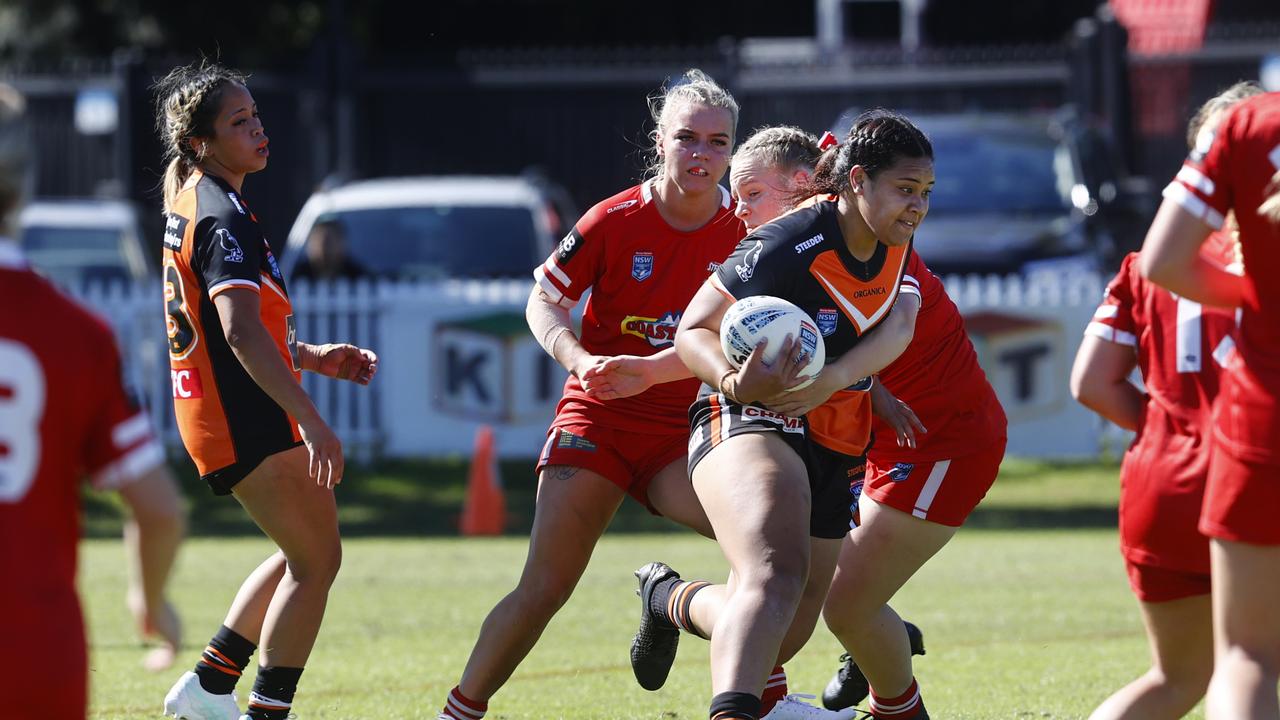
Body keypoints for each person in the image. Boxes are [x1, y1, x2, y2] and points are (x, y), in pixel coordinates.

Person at [433, 67, 859, 720]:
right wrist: (578, 357)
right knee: (544, 588)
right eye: (688, 138)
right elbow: (544, 301)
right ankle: (459, 711)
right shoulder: (614, 219)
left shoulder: (748, 229)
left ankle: (747, 680)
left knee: (772, 561)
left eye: (719, 142)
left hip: (686, 436)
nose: (703, 155)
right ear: (658, 141)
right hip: (599, 423)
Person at [638, 109, 931, 720]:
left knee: (786, 628)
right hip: (743, 412)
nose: (917, 206)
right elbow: (694, 329)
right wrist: (732, 380)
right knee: (773, 572)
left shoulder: (895, 238)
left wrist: (835, 381)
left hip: (834, 433)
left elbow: (899, 325)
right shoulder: (789, 240)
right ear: (856, 181)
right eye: (906, 190)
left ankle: (673, 600)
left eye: (925, 193)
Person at [151, 61, 379, 720]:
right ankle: (262, 711)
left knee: (301, 554)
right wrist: (310, 418)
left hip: (218, 410)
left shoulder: (202, 198)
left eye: (256, 115)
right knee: (317, 562)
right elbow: (240, 335)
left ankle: (208, 688)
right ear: (201, 142)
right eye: (239, 121)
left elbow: (236, 337)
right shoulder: (222, 215)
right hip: (241, 415)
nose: (258, 129)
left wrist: (311, 357)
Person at [1070, 82, 1260, 720]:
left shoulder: (1145, 264)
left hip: (1162, 485)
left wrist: (1171, 432)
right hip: (1255, 476)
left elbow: (1091, 383)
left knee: (1177, 680)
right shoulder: (1268, 260)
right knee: (1254, 665)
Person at [0, 82, 186, 720]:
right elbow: (159, 510)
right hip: (34, 655)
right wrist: (149, 600)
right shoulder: (75, 334)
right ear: (21, 187)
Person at [1139, 90, 1280, 718]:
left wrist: (1258, 295)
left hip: (1263, 416)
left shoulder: (1250, 124)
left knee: (1248, 657)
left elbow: (1163, 261)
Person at [291, 218, 366, 282]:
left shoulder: (359, 277)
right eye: (318, 240)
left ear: (341, 243)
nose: (324, 248)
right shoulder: (294, 277)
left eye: (329, 241)